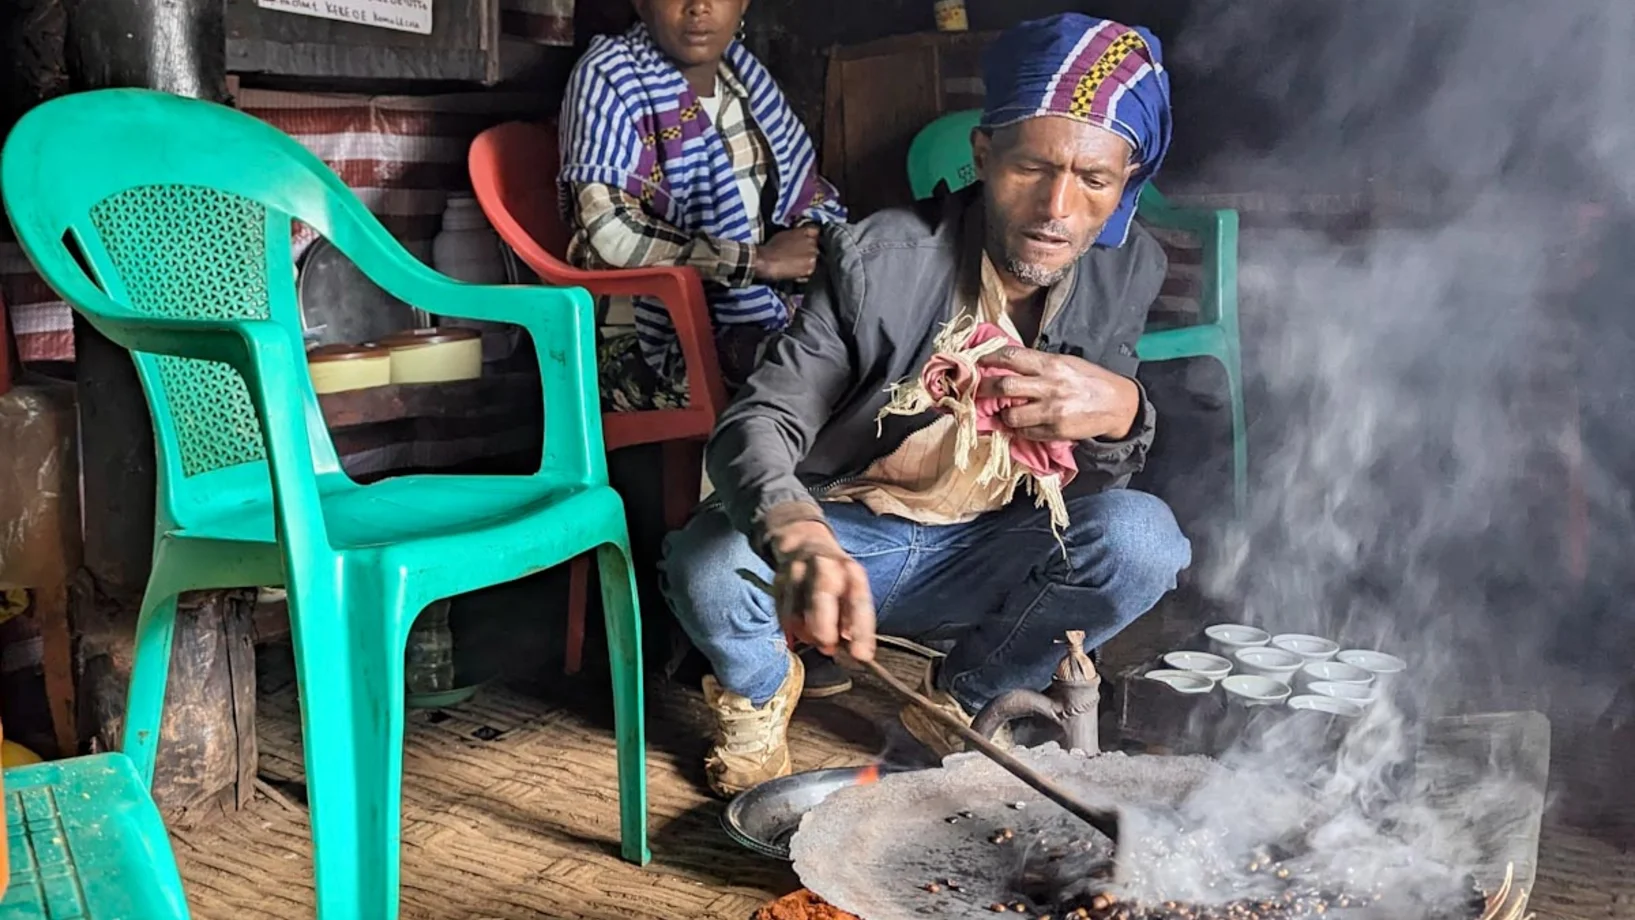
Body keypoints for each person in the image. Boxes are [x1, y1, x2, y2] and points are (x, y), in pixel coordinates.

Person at [659, 13, 1195, 798]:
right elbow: (760, 422)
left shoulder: (1125, 267)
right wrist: (801, 535)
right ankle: (761, 683)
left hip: (993, 546)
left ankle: (965, 699)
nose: (1057, 207)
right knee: (707, 560)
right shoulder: (878, 259)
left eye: (1093, 181)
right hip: (854, 545)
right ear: (984, 155)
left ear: (1124, 186)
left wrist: (1120, 410)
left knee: (1143, 539)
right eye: (1030, 168)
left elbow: (1100, 480)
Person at [557, 0, 846, 414]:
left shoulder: (746, 83)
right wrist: (757, 261)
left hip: (765, 313)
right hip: (650, 338)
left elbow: (806, 193)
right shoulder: (610, 76)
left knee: (884, 341)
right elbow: (609, 231)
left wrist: (818, 241)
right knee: (816, 371)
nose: (699, 8)